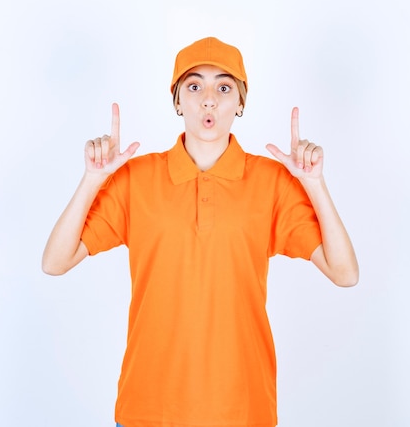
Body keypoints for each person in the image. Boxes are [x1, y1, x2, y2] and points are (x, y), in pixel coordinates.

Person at [42, 36, 359, 427]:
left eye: (224, 87)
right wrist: (92, 180)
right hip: (148, 407)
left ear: (240, 103)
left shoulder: (273, 181)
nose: (209, 99)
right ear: (177, 100)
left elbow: (345, 273)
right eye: (194, 86)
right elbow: (55, 262)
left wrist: (314, 184)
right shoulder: (135, 180)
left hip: (244, 409)